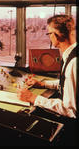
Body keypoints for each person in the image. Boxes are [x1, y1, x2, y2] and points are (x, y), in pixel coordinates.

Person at [17, 14, 77, 144]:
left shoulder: (74, 62)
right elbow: (68, 82)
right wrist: (43, 84)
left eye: (49, 33)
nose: (49, 37)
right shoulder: (71, 54)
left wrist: (33, 98)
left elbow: (70, 110)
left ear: (56, 35)